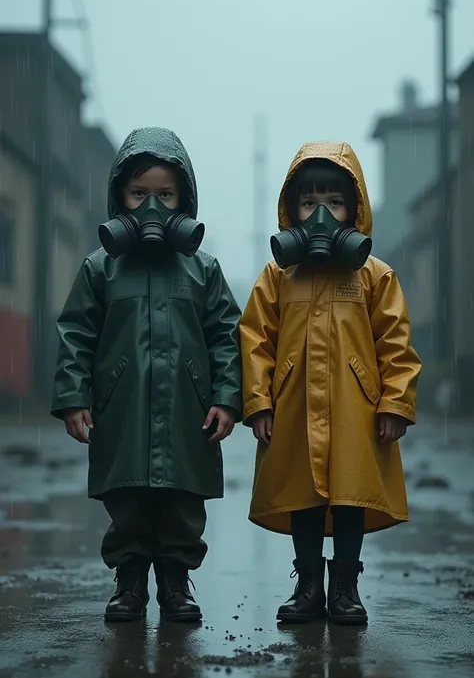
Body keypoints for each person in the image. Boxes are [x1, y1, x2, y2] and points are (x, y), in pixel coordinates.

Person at [51, 127, 242, 623]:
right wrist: (75, 397)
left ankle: (176, 585)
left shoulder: (203, 269)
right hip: (124, 409)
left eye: (165, 194)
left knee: (182, 502)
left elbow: (227, 336)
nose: (152, 207)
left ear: (184, 200)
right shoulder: (102, 268)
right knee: (128, 499)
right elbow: (76, 332)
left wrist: (226, 397)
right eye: (140, 194)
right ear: (120, 198)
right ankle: (130, 584)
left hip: (188, 411)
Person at [240, 141, 421, 625]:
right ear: (291, 209)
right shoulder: (279, 276)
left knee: (349, 501)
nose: (321, 214)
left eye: (334, 203)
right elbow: (255, 338)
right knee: (301, 498)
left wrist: (394, 405)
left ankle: (346, 589)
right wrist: (258, 402)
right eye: (309, 202)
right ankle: (307, 587)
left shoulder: (373, 277)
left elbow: (396, 347)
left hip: (354, 414)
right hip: (293, 410)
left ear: (354, 209)